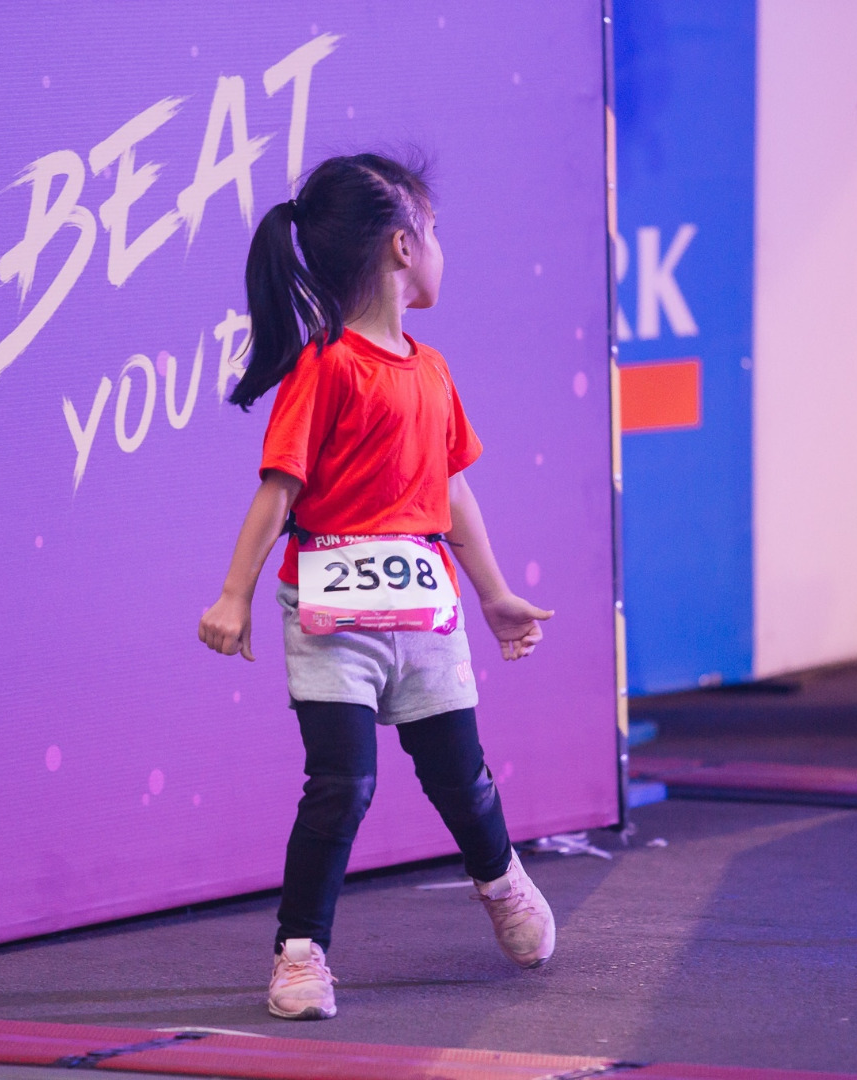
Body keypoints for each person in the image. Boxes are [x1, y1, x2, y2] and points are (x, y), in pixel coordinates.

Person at [197, 153, 556, 1021]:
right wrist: (234, 594)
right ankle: (300, 953)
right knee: (341, 785)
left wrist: (494, 594)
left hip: (425, 615)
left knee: (460, 778)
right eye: (435, 233)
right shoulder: (324, 367)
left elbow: (454, 492)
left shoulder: (432, 371)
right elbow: (278, 492)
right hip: (332, 623)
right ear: (403, 246)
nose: (440, 251)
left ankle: (501, 880)